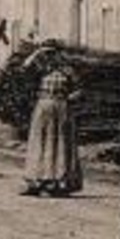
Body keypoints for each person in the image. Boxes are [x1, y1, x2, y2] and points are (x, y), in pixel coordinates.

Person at [22, 67, 82, 196]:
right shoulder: (40, 67)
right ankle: (36, 181)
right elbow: (26, 76)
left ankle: (59, 183)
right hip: (43, 107)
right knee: (39, 143)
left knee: (59, 144)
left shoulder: (68, 70)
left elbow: (79, 90)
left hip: (60, 108)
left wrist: (66, 99)